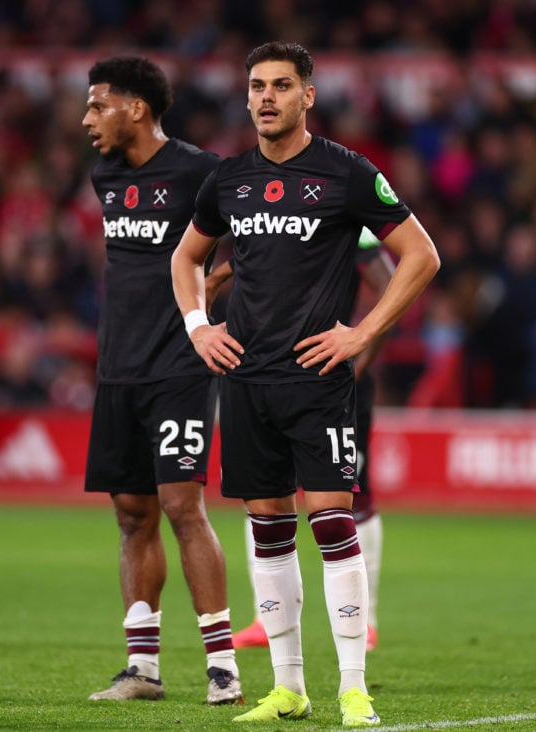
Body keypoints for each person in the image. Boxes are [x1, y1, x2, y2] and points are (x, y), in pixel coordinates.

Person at [171, 41, 440, 727]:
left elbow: (421, 255)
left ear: (307, 96)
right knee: (267, 530)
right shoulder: (227, 181)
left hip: (318, 379)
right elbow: (187, 257)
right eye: (257, 86)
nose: (265, 97)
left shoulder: (346, 174)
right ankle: (289, 686)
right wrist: (200, 325)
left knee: (331, 523)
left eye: (281, 86)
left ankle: (354, 687)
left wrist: (363, 332)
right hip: (247, 378)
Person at [80, 55, 242, 706]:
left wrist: (201, 302)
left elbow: (244, 248)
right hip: (117, 366)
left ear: (137, 109)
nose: (88, 118)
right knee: (129, 514)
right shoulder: (106, 175)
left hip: (179, 363)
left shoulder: (200, 173)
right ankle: (141, 669)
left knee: (181, 506)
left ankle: (223, 667)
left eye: (99, 105)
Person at [207, 228, 394, 653]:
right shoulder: (269, 210)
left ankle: (366, 622)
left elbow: (388, 281)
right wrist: (218, 277)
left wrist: (359, 357)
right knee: (265, 495)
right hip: (266, 376)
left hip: (330, 377)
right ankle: (265, 616)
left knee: (349, 499)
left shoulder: (343, 210)